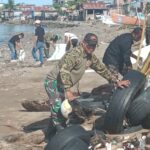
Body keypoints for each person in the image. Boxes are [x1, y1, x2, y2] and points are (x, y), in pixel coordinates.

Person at [44, 33, 130, 139]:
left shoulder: (90, 57)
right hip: (53, 82)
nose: (91, 48)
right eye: (89, 45)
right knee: (58, 107)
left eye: (94, 46)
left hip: (63, 84)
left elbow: (102, 69)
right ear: (83, 43)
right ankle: (62, 137)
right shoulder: (74, 54)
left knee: (58, 109)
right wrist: (68, 90)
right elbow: (64, 71)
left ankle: (49, 134)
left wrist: (116, 81)